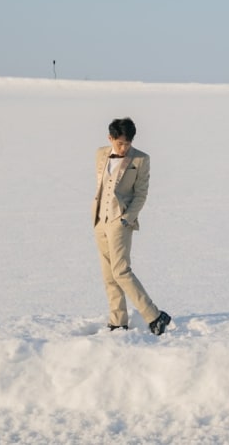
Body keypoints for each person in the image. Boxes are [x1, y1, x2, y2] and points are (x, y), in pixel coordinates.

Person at [91, 117, 171, 335]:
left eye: (127, 143)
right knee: (108, 274)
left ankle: (154, 315)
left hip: (120, 220)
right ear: (111, 138)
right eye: (119, 143)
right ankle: (118, 321)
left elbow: (141, 193)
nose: (124, 147)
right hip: (100, 220)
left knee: (121, 271)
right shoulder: (100, 154)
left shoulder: (141, 160)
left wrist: (127, 218)